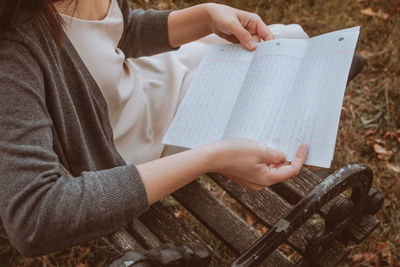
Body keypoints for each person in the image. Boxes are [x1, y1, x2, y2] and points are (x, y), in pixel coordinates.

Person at [0, 0, 307, 258]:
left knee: (287, 40)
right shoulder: (13, 47)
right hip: (140, 144)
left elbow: (120, 32)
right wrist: (209, 158)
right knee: (280, 75)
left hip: (150, 80)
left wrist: (205, 16)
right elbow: (34, 216)